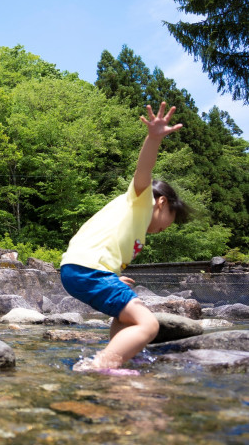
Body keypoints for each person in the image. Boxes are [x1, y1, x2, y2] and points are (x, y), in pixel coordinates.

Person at [60, 102, 191, 373]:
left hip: (82, 270)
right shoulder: (141, 201)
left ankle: (121, 358)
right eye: (170, 219)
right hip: (88, 270)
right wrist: (153, 138)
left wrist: (112, 276)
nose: (166, 228)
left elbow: (103, 245)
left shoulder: (133, 221)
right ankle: (102, 364)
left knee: (130, 311)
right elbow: (144, 169)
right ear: (161, 203)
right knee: (148, 323)